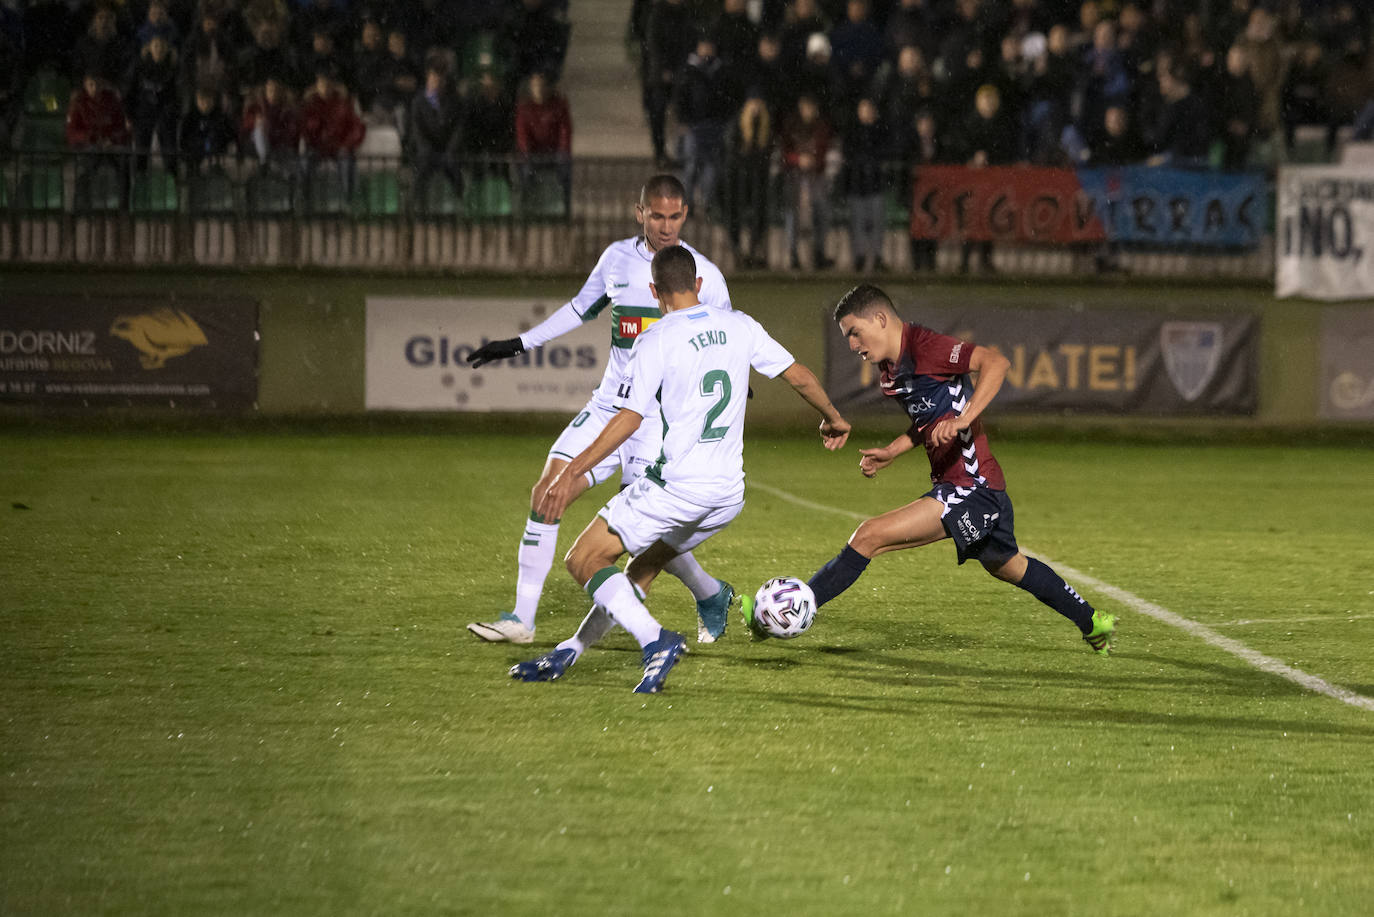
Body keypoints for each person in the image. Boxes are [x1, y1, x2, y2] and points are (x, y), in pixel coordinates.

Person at [509, 244, 851, 692]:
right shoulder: (740, 324)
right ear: (699, 284)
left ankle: (657, 640)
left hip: (677, 488)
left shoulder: (656, 338)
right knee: (638, 572)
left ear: (654, 291)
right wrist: (833, 417)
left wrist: (573, 471)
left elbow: (628, 419)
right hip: (727, 495)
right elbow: (798, 375)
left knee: (584, 558)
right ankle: (570, 650)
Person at [462, 175, 740, 646]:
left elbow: (725, 337)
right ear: (640, 213)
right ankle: (521, 621)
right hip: (609, 405)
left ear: (685, 215)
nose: (666, 226)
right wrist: (520, 343)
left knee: (646, 534)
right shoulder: (616, 259)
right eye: (657, 216)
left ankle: (709, 593)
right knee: (548, 491)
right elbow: (579, 309)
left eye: (674, 217)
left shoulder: (705, 275)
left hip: (656, 422)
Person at [773, 284, 1116, 656]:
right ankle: (1093, 622)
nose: (853, 345)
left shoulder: (925, 347)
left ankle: (787, 612)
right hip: (972, 485)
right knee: (1008, 565)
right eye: (847, 338)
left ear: (880, 319)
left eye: (855, 332)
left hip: (972, 485)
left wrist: (964, 419)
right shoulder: (890, 371)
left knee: (869, 536)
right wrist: (893, 450)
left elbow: (996, 363)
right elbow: (929, 420)